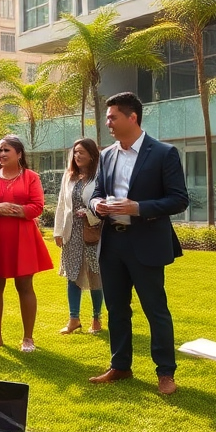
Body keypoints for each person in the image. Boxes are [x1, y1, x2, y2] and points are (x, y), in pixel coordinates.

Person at [89, 92, 189, 395]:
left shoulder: (163, 153)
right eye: (107, 117)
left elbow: (179, 199)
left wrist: (139, 208)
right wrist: (97, 206)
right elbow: (96, 192)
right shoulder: (106, 155)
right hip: (112, 244)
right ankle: (120, 366)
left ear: (132, 117)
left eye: (113, 117)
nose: (108, 122)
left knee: (155, 310)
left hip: (146, 242)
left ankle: (165, 373)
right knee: (117, 309)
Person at [0, 135, 54, 352]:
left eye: (6, 150)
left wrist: (17, 210)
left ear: (19, 154)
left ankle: (28, 338)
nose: (1, 154)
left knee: (25, 286)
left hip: (23, 237)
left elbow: (37, 206)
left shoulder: (31, 177)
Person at [53, 138, 104, 334]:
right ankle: (73, 319)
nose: (77, 156)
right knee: (72, 275)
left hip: (91, 231)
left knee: (95, 275)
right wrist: (58, 231)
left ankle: (96, 318)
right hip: (71, 232)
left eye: (81, 152)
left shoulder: (99, 177)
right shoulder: (70, 176)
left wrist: (90, 214)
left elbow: (103, 202)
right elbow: (61, 204)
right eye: (75, 152)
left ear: (92, 155)